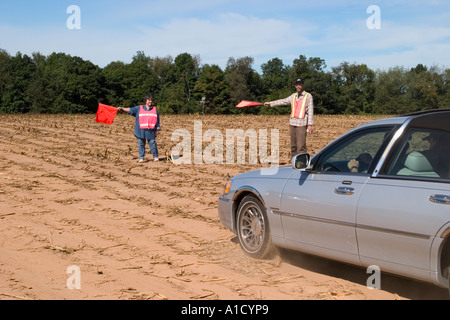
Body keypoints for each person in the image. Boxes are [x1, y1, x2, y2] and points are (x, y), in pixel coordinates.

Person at [264, 78, 314, 157]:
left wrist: (310, 124)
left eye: (300, 84)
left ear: (303, 85)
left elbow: (310, 111)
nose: (298, 86)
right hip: (292, 123)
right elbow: (282, 101)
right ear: (295, 86)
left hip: (302, 124)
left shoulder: (308, 96)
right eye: (297, 84)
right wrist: (270, 103)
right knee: (293, 146)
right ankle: (294, 162)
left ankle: (301, 163)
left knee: (301, 146)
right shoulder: (293, 96)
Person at [118, 94, 161, 163]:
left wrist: (157, 129)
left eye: (151, 100)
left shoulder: (155, 110)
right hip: (140, 131)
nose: (150, 101)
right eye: (149, 100)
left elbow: (157, 120)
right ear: (145, 101)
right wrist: (122, 108)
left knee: (153, 144)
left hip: (151, 131)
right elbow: (130, 109)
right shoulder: (138, 108)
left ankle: (155, 157)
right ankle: (141, 158)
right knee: (141, 144)